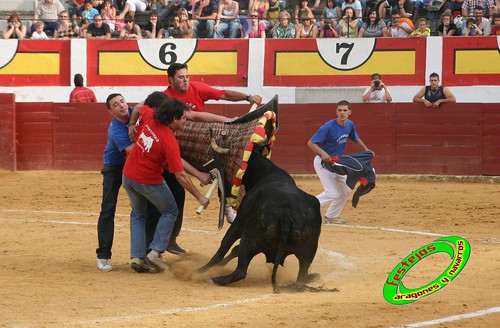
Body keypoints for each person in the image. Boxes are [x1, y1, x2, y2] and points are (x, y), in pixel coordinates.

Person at [122, 97, 210, 273]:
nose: (186, 120)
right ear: (174, 119)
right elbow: (180, 175)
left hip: (128, 175)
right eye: (183, 118)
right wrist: (199, 196)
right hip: (148, 181)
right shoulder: (169, 141)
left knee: (138, 214)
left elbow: (140, 106)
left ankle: (138, 258)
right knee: (170, 211)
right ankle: (155, 254)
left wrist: (132, 125)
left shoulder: (152, 116)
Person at [307, 100, 371, 224]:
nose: (342, 113)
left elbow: (355, 139)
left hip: (337, 164)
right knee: (332, 193)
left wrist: (366, 150)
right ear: (336, 112)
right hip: (323, 163)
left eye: (345, 110)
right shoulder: (327, 127)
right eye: (340, 110)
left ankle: (331, 217)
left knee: (345, 191)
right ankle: (303, 208)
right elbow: (311, 143)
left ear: (350, 112)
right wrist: (323, 153)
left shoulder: (350, 125)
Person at [95, 93, 134, 272]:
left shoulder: (135, 113)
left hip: (133, 165)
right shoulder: (116, 129)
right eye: (116, 105)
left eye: (122, 101)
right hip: (114, 167)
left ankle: (147, 252)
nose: (121, 106)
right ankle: (103, 255)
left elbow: (145, 105)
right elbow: (131, 150)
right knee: (108, 208)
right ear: (111, 112)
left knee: (143, 208)